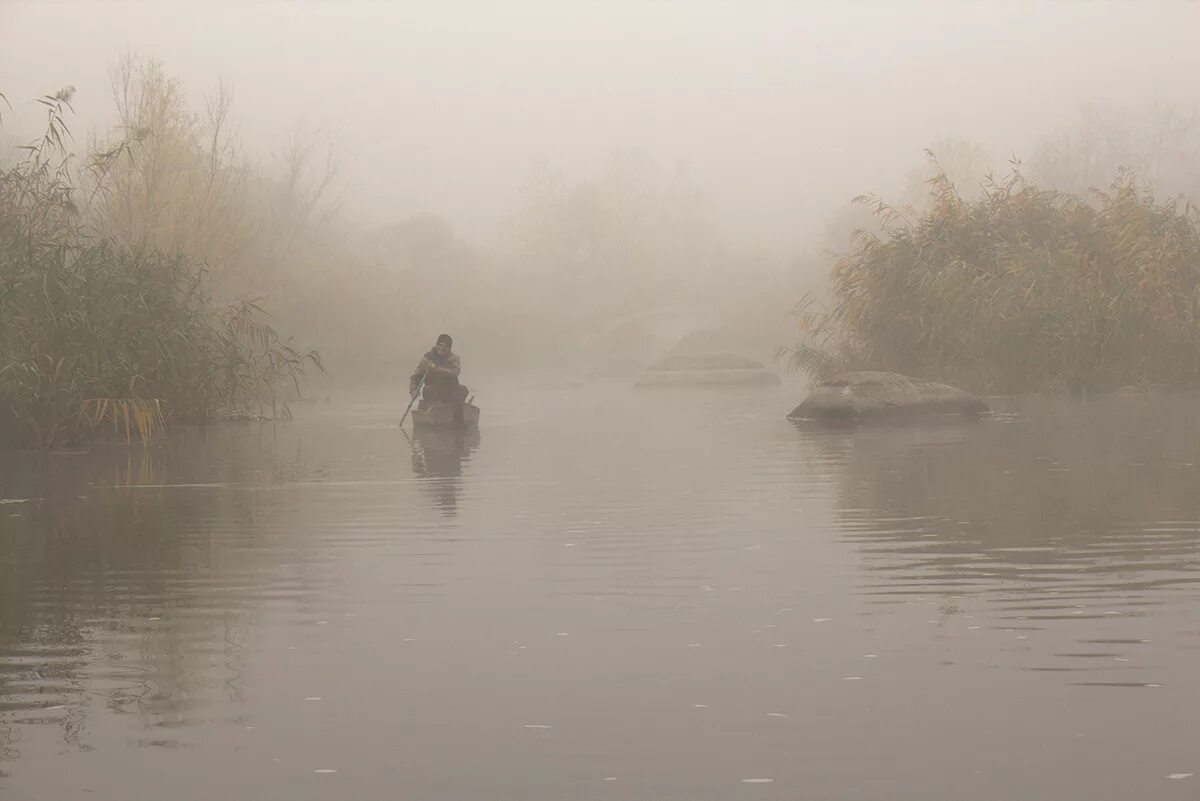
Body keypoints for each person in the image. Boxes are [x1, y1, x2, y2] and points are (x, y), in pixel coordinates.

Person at [410, 334, 468, 408]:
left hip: (450, 389)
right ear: (437, 345)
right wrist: (413, 390)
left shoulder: (454, 358)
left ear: (449, 348)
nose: (441, 348)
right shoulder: (427, 358)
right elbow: (415, 377)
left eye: (445, 346)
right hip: (432, 390)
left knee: (463, 390)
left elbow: (455, 372)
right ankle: (433, 410)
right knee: (429, 391)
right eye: (440, 345)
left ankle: (455, 411)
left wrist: (438, 370)